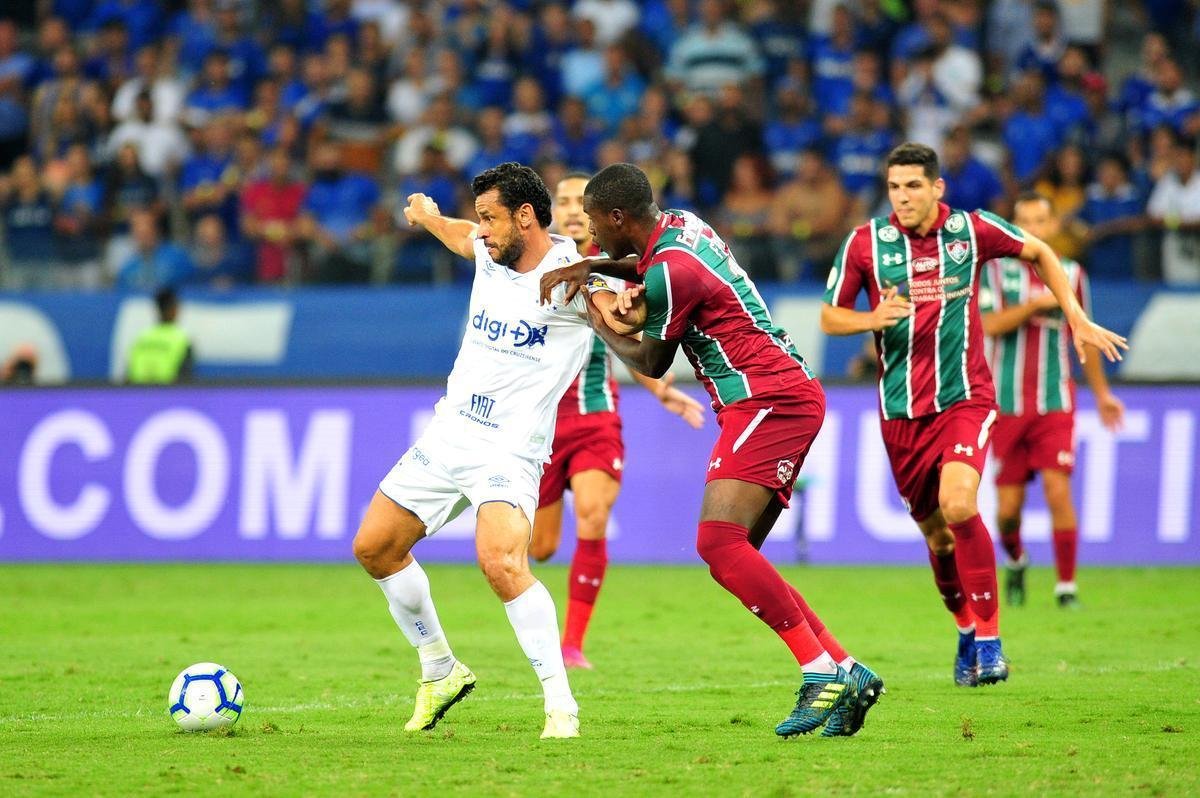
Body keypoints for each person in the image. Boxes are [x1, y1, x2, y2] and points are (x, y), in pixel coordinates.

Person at [540, 163, 884, 739]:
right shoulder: (681, 226)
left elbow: (650, 360)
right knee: (737, 552)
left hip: (766, 399)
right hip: (776, 396)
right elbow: (642, 265)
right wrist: (591, 265)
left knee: (717, 543)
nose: (594, 236)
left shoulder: (673, 270)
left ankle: (819, 672)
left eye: (598, 227)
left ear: (620, 216)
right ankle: (845, 669)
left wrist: (592, 314)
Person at [819, 142, 1127, 687]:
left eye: (913, 185)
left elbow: (1043, 254)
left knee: (960, 505)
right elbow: (827, 316)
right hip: (900, 412)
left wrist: (1076, 316)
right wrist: (871, 319)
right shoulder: (866, 243)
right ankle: (965, 626)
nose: (903, 197)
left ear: (937, 187)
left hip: (966, 399)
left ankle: (990, 641)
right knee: (938, 538)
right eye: (894, 187)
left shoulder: (971, 231)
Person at [351, 163, 626, 740]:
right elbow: (457, 233)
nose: (482, 230)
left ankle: (561, 706)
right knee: (375, 548)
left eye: (491, 218)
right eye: (480, 218)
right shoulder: (485, 248)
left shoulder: (573, 278)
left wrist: (633, 304)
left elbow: (629, 314)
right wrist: (427, 217)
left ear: (525, 216)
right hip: (450, 434)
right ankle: (440, 668)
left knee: (501, 562)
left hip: (509, 449)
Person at [531, 172, 705, 670]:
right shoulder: (535, 262)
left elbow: (623, 335)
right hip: (541, 425)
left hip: (594, 418)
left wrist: (661, 391)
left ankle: (572, 645)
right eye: (562, 200)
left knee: (592, 514)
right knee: (541, 549)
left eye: (577, 203)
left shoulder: (611, 267)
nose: (569, 210)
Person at [980, 194, 1125, 608]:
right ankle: (1017, 560)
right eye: (1023, 221)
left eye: (1039, 221)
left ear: (1053, 225)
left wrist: (1102, 394)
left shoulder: (1071, 273)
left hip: (1054, 400)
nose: (1031, 229)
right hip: (1004, 404)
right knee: (1008, 511)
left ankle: (1066, 588)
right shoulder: (992, 272)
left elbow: (1087, 337)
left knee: (1058, 491)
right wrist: (1034, 306)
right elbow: (989, 324)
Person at [126, 287, 193, 384]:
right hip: (167, 395)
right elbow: (185, 379)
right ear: (174, 309)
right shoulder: (183, 340)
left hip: (138, 394)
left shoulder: (142, 337)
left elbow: (129, 373)